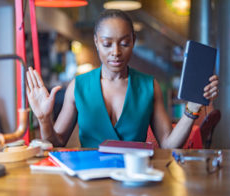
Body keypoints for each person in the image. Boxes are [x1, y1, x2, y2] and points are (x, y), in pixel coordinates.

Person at [26, 9, 219, 148]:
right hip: (89, 181)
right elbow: (56, 143)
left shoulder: (150, 86)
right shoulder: (79, 87)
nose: (116, 52)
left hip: (135, 180)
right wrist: (44, 120)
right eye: (107, 44)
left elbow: (168, 145)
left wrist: (192, 110)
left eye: (124, 43)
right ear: (96, 42)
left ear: (133, 41)